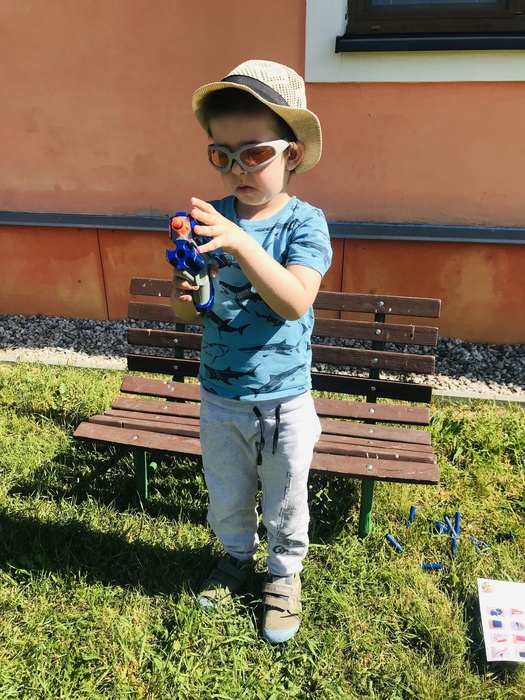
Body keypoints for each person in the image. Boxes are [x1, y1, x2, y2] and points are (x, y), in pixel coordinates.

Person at [170, 59, 332, 644]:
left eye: (254, 153)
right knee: (227, 492)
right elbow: (189, 312)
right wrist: (189, 289)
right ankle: (236, 556)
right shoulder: (210, 222)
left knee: (286, 498)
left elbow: (294, 301)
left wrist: (240, 242)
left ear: (292, 155)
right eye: (222, 155)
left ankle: (283, 575)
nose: (238, 168)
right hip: (220, 395)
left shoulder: (304, 224)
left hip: (284, 401)